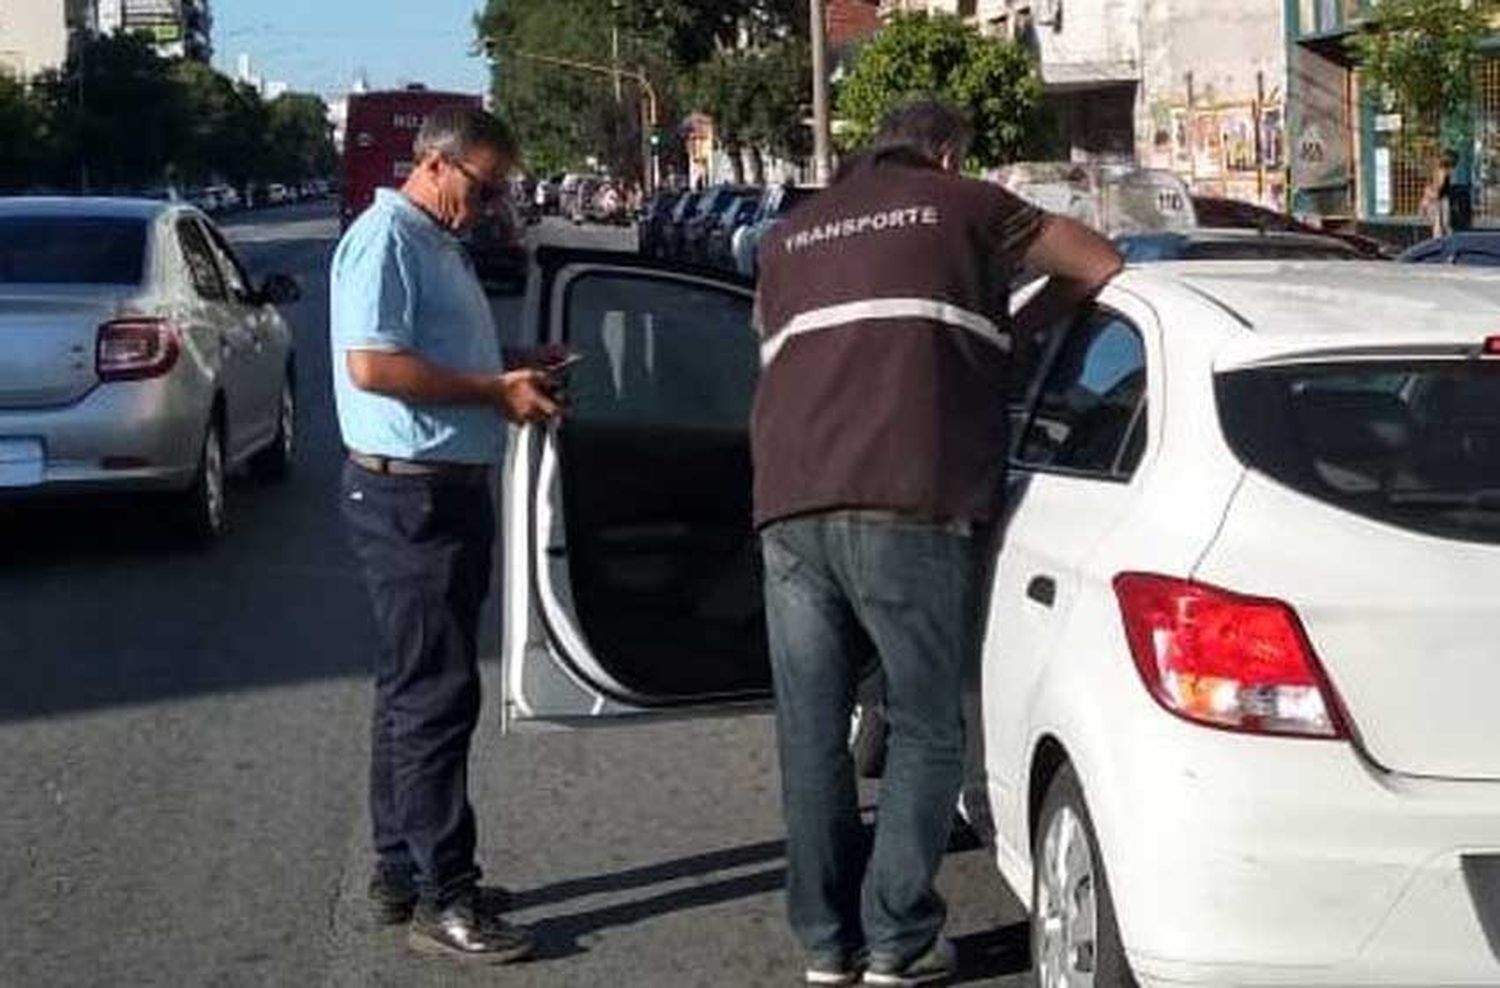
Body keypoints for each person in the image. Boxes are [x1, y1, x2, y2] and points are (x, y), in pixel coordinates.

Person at [751, 99, 1121, 987]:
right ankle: (898, 940)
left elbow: (780, 352)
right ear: (948, 152)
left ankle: (825, 945)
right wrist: (1015, 333)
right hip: (908, 496)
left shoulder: (791, 234)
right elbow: (1097, 261)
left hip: (789, 502)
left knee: (812, 734)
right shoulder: (968, 205)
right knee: (924, 726)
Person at [330, 105, 562, 963]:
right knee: (435, 699)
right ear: (435, 165)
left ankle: (402, 869)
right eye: (486, 186)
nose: (494, 205)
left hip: (438, 493)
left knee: (410, 691)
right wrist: (492, 394)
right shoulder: (386, 239)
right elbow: (373, 365)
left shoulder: (437, 242)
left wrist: (515, 362)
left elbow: (439, 353)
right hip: (409, 501)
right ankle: (445, 898)